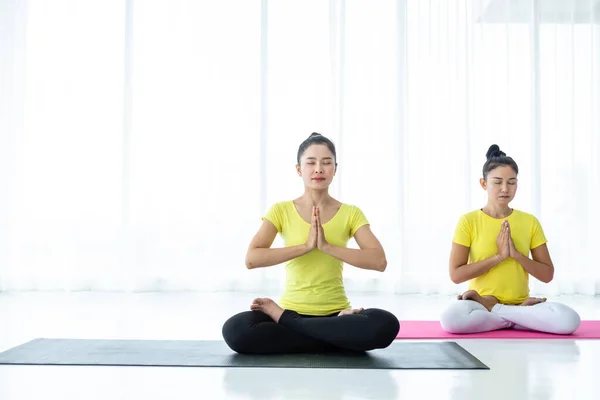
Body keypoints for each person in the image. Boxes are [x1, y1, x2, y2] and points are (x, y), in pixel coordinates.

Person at [222, 132, 400, 354]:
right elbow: (251, 259)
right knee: (236, 329)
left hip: (335, 315)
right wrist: (305, 247)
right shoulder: (281, 210)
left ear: (335, 169)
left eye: (326, 163)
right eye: (311, 162)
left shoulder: (351, 213)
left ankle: (292, 324)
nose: (319, 169)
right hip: (297, 310)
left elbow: (379, 261)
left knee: (385, 324)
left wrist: (327, 247)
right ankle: (332, 339)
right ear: (299, 169)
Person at [440, 144, 581, 335]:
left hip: (520, 302)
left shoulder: (529, 221)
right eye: (497, 182)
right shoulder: (468, 221)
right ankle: (517, 317)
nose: (505, 189)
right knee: (451, 319)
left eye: (512, 182)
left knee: (569, 320)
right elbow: (456, 275)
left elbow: (547, 275)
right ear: (484, 183)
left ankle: (501, 312)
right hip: (479, 304)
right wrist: (499, 257)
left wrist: (516, 255)